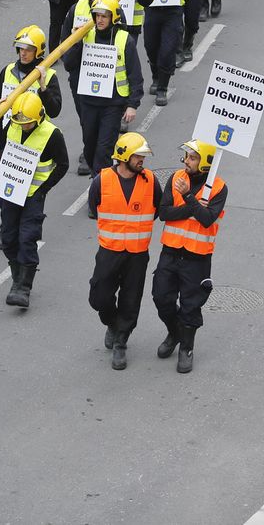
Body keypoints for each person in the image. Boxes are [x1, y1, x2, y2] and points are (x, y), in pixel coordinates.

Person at [89, 131, 165, 370]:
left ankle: (121, 340)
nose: (142, 160)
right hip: (109, 251)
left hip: (137, 254)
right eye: (138, 156)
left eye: (143, 156)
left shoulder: (151, 181)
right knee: (99, 297)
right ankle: (112, 322)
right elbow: (94, 207)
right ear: (123, 157)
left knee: (131, 300)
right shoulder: (102, 180)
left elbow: (157, 210)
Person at [153, 140, 229, 374]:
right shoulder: (177, 178)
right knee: (161, 297)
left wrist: (189, 199)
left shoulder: (219, 187)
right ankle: (175, 332)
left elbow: (207, 220)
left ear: (205, 162)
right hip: (171, 251)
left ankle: (187, 347)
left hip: (197, 257)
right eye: (187, 156)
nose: (186, 161)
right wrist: (194, 205)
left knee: (191, 305)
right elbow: (164, 213)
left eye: (193, 157)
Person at [0, 92, 70, 308]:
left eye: (28, 123)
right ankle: (17, 276)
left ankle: (23, 287)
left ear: (38, 118)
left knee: (27, 238)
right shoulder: (15, 124)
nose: (24, 126)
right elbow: (1, 145)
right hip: (10, 193)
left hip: (33, 196)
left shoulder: (52, 134)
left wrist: (42, 190)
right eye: (21, 123)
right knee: (8, 239)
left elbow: (62, 165)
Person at [67, 0, 143, 179]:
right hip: (88, 102)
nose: (99, 20)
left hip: (113, 104)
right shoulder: (86, 35)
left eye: (104, 16)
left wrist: (132, 104)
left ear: (113, 17)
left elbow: (135, 75)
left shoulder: (125, 39)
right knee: (90, 146)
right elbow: (69, 65)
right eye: (97, 16)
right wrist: (76, 41)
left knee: (104, 149)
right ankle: (99, 179)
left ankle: (100, 188)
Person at [0, 24, 65, 168]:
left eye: (28, 50)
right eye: (21, 49)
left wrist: (43, 88)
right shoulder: (7, 71)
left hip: (34, 139)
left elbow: (54, 111)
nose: (23, 53)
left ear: (38, 51)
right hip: (9, 137)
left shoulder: (48, 77)